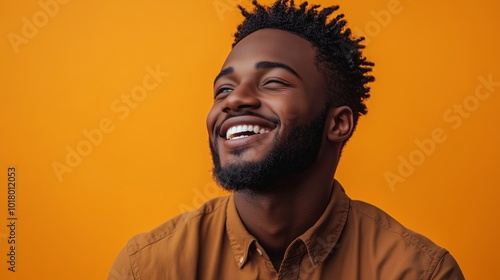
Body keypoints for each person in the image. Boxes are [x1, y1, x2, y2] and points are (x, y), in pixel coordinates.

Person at [108, 0, 465, 279]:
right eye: (224, 90)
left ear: (338, 123)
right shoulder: (149, 267)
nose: (234, 100)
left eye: (274, 82)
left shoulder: (417, 272)